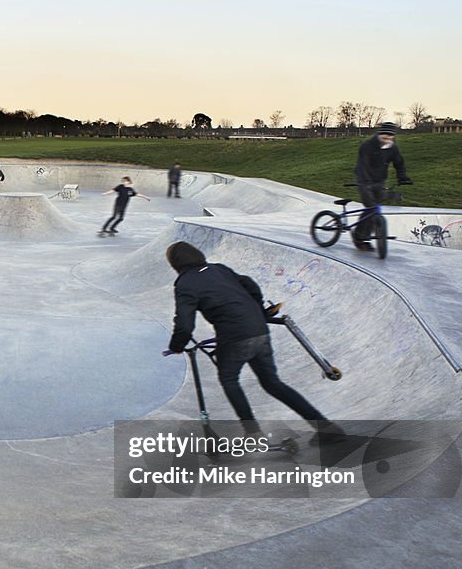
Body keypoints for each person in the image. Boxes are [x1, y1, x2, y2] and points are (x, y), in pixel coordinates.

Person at [162, 241, 340, 441]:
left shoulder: (185, 283)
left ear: (176, 264)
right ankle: (326, 427)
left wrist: (176, 346)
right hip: (259, 330)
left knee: (229, 380)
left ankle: (253, 433)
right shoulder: (219, 269)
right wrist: (259, 310)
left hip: (233, 336)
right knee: (272, 383)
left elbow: (185, 325)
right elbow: (250, 284)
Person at [352, 122, 412, 250]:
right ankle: (359, 238)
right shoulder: (367, 146)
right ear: (379, 134)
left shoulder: (392, 148)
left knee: (374, 210)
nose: (387, 138)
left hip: (379, 182)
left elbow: (399, 163)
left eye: (390, 136)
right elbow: (362, 165)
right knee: (371, 209)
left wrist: (402, 177)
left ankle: (367, 233)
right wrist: (365, 183)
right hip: (364, 180)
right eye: (385, 135)